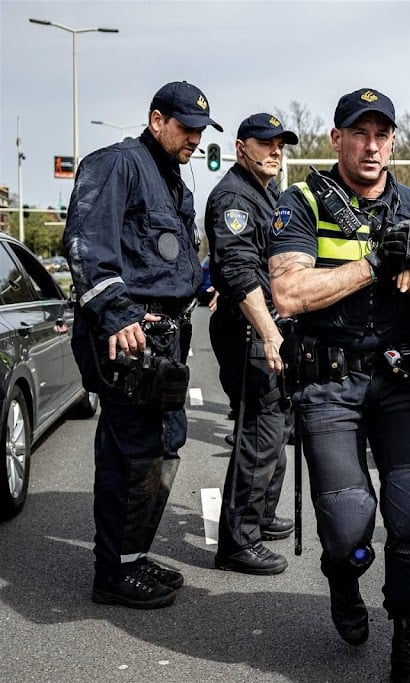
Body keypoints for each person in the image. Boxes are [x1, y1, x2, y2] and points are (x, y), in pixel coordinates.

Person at [267, 87, 410, 683]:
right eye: (359, 133)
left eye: (382, 135)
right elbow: (290, 294)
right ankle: (342, 578)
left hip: (402, 382)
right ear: (336, 138)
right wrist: (374, 261)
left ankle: (408, 642)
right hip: (329, 382)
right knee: (349, 529)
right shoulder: (302, 202)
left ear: (393, 140)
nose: (372, 146)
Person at [63, 81, 221, 609]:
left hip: (167, 341)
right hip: (131, 339)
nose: (195, 138)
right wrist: (117, 315)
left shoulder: (173, 181)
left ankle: (132, 556)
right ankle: (113, 572)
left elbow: (163, 260)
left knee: (162, 445)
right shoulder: (117, 164)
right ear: (157, 121)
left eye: (200, 130)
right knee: (130, 455)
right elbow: (86, 244)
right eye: (185, 127)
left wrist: (204, 284)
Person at [206, 113, 298, 575]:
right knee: (259, 434)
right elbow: (240, 272)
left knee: (277, 425)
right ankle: (237, 541)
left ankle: (259, 515)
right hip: (249, 331)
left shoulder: (270, 194)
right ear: (242, 146)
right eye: (266, 143)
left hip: (270, 326)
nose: (276, 151)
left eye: (281, 144)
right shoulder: (233, 198)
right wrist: (269, 333)